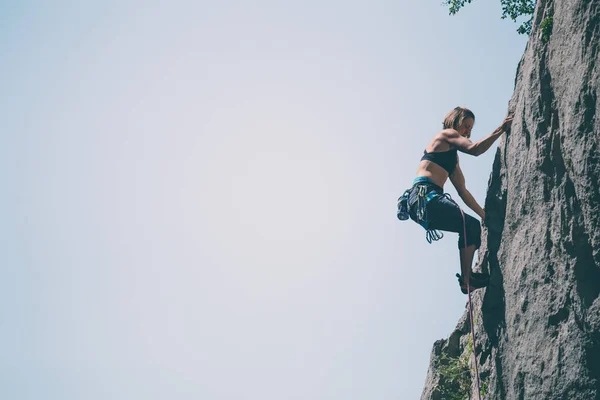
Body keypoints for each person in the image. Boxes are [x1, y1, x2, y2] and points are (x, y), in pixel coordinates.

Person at [398, 107, 513, 294]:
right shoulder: (446, 135)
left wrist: (484, 216)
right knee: (469, 225)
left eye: (470, 129)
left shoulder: (452, 159)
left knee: (471, 226)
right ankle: (467, 279)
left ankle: (467, 280)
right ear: (455, 121)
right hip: (425, 197)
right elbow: (475, 150)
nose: (467, 132)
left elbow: (463, 192)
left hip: (423, 205)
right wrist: (500, 129)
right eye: (465, 126)